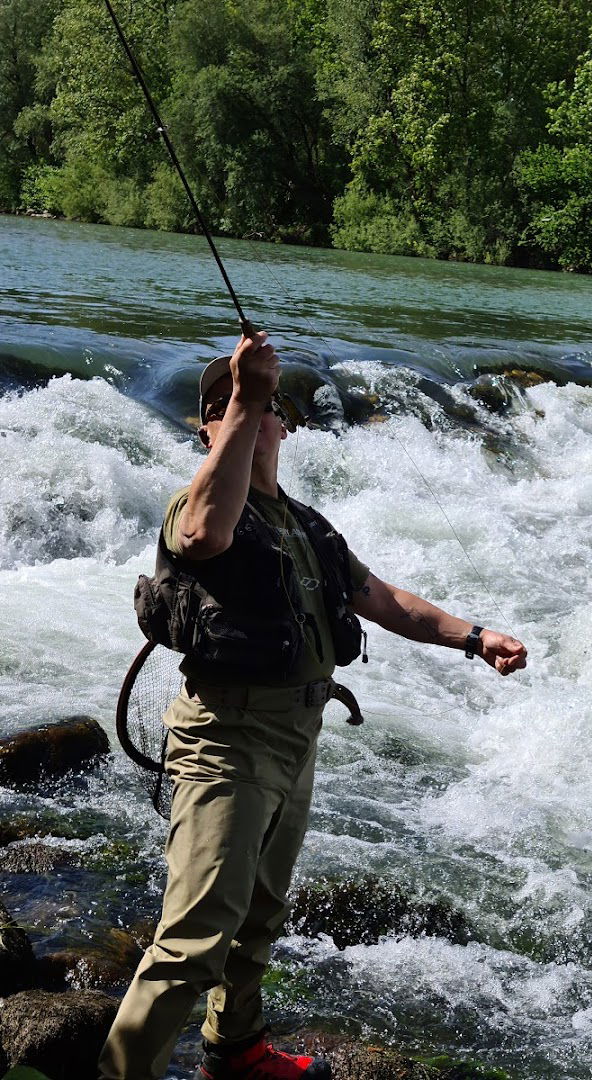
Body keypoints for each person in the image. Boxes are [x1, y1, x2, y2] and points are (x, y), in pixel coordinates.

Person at [100, 331, 527, 1080]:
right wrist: (246, 395)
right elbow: (206, 534)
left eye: (267, 406)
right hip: (226, 740)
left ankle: (234, 1051)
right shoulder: (193, 505)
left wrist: (474, 636)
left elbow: (383, 599)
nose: (255, 412)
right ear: (211, 424)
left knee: (259, 916)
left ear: (287, 427)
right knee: (194, 937)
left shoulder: (309, 527)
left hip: (297, 735)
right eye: (229, 404)